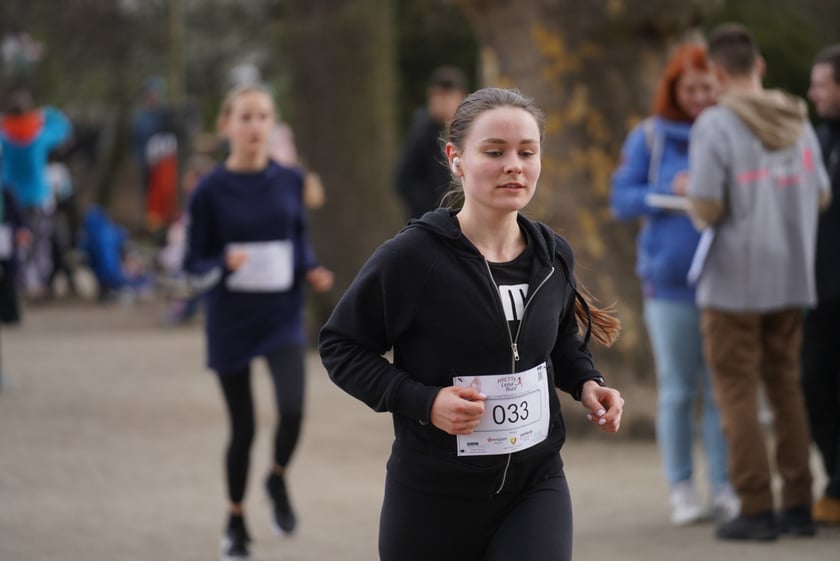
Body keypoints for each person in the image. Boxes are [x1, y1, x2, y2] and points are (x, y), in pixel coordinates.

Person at [319, 87, 624, 561]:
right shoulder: (412, 259)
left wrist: (587, 381)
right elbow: (342, 346)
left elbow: (559, 341)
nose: (514, 165)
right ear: (456, 158)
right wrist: (426, 401)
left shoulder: (552, 255)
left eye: (527, 152)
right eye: (494, 151)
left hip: (534, 485)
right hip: (432, 497)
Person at [686, 23, 831, 541]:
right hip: (792, 277)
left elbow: (706, 206)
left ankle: (755, 506)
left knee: (737, 392)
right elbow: (820, 194)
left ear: (717, 73)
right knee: (786, 387)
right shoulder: (799, 117)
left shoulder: (716, 125)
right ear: (761, 65)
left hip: (732, 284)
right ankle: (797, 502)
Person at [182, 83, 334, 561]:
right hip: (231, 321)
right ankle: (235, 520)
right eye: (245, 117)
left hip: (282, 316)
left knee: (292, 409)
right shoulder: (208, 190)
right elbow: (193, 264)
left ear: (273, 125)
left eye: (263, 117)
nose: (254, 126)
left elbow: (299, 243)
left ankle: (278, 479)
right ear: (226, 124)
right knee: (243, 427)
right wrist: (223, 263)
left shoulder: (290, 180)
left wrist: (311, 270)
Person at [611, 43, 738, 526]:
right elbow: (622, 200)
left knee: (723, 389)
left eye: (709, 87)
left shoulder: (734, 132)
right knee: (679, 390)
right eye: (691, 88)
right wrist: (670, 192)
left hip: (728, 282)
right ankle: (682, 488)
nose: (701, 96)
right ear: (674, 89)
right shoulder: (650, 137)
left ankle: (726, 486)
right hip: (668, 285)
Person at [803, 43, 840, 527]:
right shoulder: (818, 138)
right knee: (814, 384)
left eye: (820, 83)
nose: (812, 92)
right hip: (821, 295)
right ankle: (836, 479)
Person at [0, 89, 71, 300]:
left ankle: (16, 282)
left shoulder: (4, 135)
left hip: (10, 198)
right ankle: (38, 283)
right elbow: (62, 127)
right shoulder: (38, 135)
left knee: (14, 243)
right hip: (38, 197)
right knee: (40, 242)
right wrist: (45, 113)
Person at [394, 65, 467, 220]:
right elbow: (403, 181)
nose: (441, 102)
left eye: (447, 97)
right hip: (430, 216)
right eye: (437, 97)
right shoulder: (422, 131)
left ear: (460, 97)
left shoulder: (467, 131)